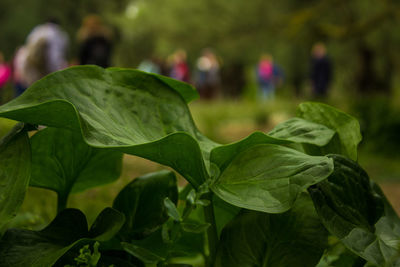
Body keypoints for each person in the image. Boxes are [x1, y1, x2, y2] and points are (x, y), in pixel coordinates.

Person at [14, 18, 69, 93]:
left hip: (32, 69)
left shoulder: (37, 31)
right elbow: (55, 58)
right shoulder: (60, 35)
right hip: (46, 70)